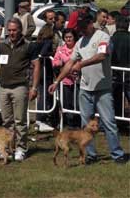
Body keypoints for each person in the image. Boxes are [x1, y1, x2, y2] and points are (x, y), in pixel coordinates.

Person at [49, 14, 127, 164]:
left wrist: (82, 64)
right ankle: (90, 155)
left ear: (91, 23)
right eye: (80, 29)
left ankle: (117, 154)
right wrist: (57, 81)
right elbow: (70, 63)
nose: (82, 31)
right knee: (85, 126)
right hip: (85, 89)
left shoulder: (102, 37)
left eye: (84, 27)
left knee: (109, 122)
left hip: (103, 88)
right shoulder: (80, 42)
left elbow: (102, 56)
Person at [0, 18, 40, 161]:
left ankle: (21, 148)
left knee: (20, 120)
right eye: (9, 30)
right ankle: (6, 149)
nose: (12, 33)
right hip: (4, 87)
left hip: (20, 87)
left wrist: (34, 87)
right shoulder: (2, 45)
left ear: (20, 30)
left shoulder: (29, 46)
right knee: (6, 121)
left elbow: (37, 66)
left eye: (14, 30)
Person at [52, 28, 80, 128]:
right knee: (66, 102)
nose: (68, 39)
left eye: (70, 37)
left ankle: (78, 122)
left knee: (77, 102)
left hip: (78, 80)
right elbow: (55, 61)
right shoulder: (60, 49)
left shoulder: (79, 48)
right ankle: (68, 122)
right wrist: (59, 64)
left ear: (74, 38)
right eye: (66, 37)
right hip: (65, 81)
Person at [111, 16, 130, 119]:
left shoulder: (111, 39)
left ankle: (118, 120)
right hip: (128, 73)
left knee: (116, 98)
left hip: (115, 73)